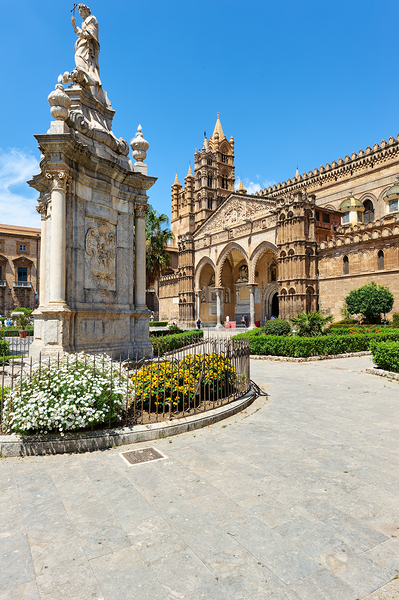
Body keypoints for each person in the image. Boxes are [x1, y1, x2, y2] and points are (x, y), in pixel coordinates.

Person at [71, 4, 101, 86]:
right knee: (80, 57)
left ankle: (83, 74)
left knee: (78, 56)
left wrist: (83, 34)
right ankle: (83, 75)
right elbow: (83, 33)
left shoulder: (91, 19)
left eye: (81, 11)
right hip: (83, 42)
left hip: (87, 44)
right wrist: (74, 26)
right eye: (79, 11)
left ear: (86, 11)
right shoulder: (84, 22)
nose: (80, 13)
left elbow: (90, 33)